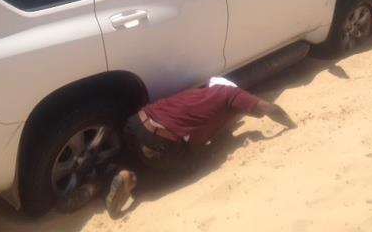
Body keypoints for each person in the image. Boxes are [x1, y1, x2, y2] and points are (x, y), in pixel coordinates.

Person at [57, 78, 297, 217]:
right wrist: (292, 125)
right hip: (159, 141)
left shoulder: (198, 93)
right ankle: (132, 181)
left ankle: (92, 187)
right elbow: (268, 108)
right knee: (187, 167)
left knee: (133, 156)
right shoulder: (230, 95)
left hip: (134, 123)